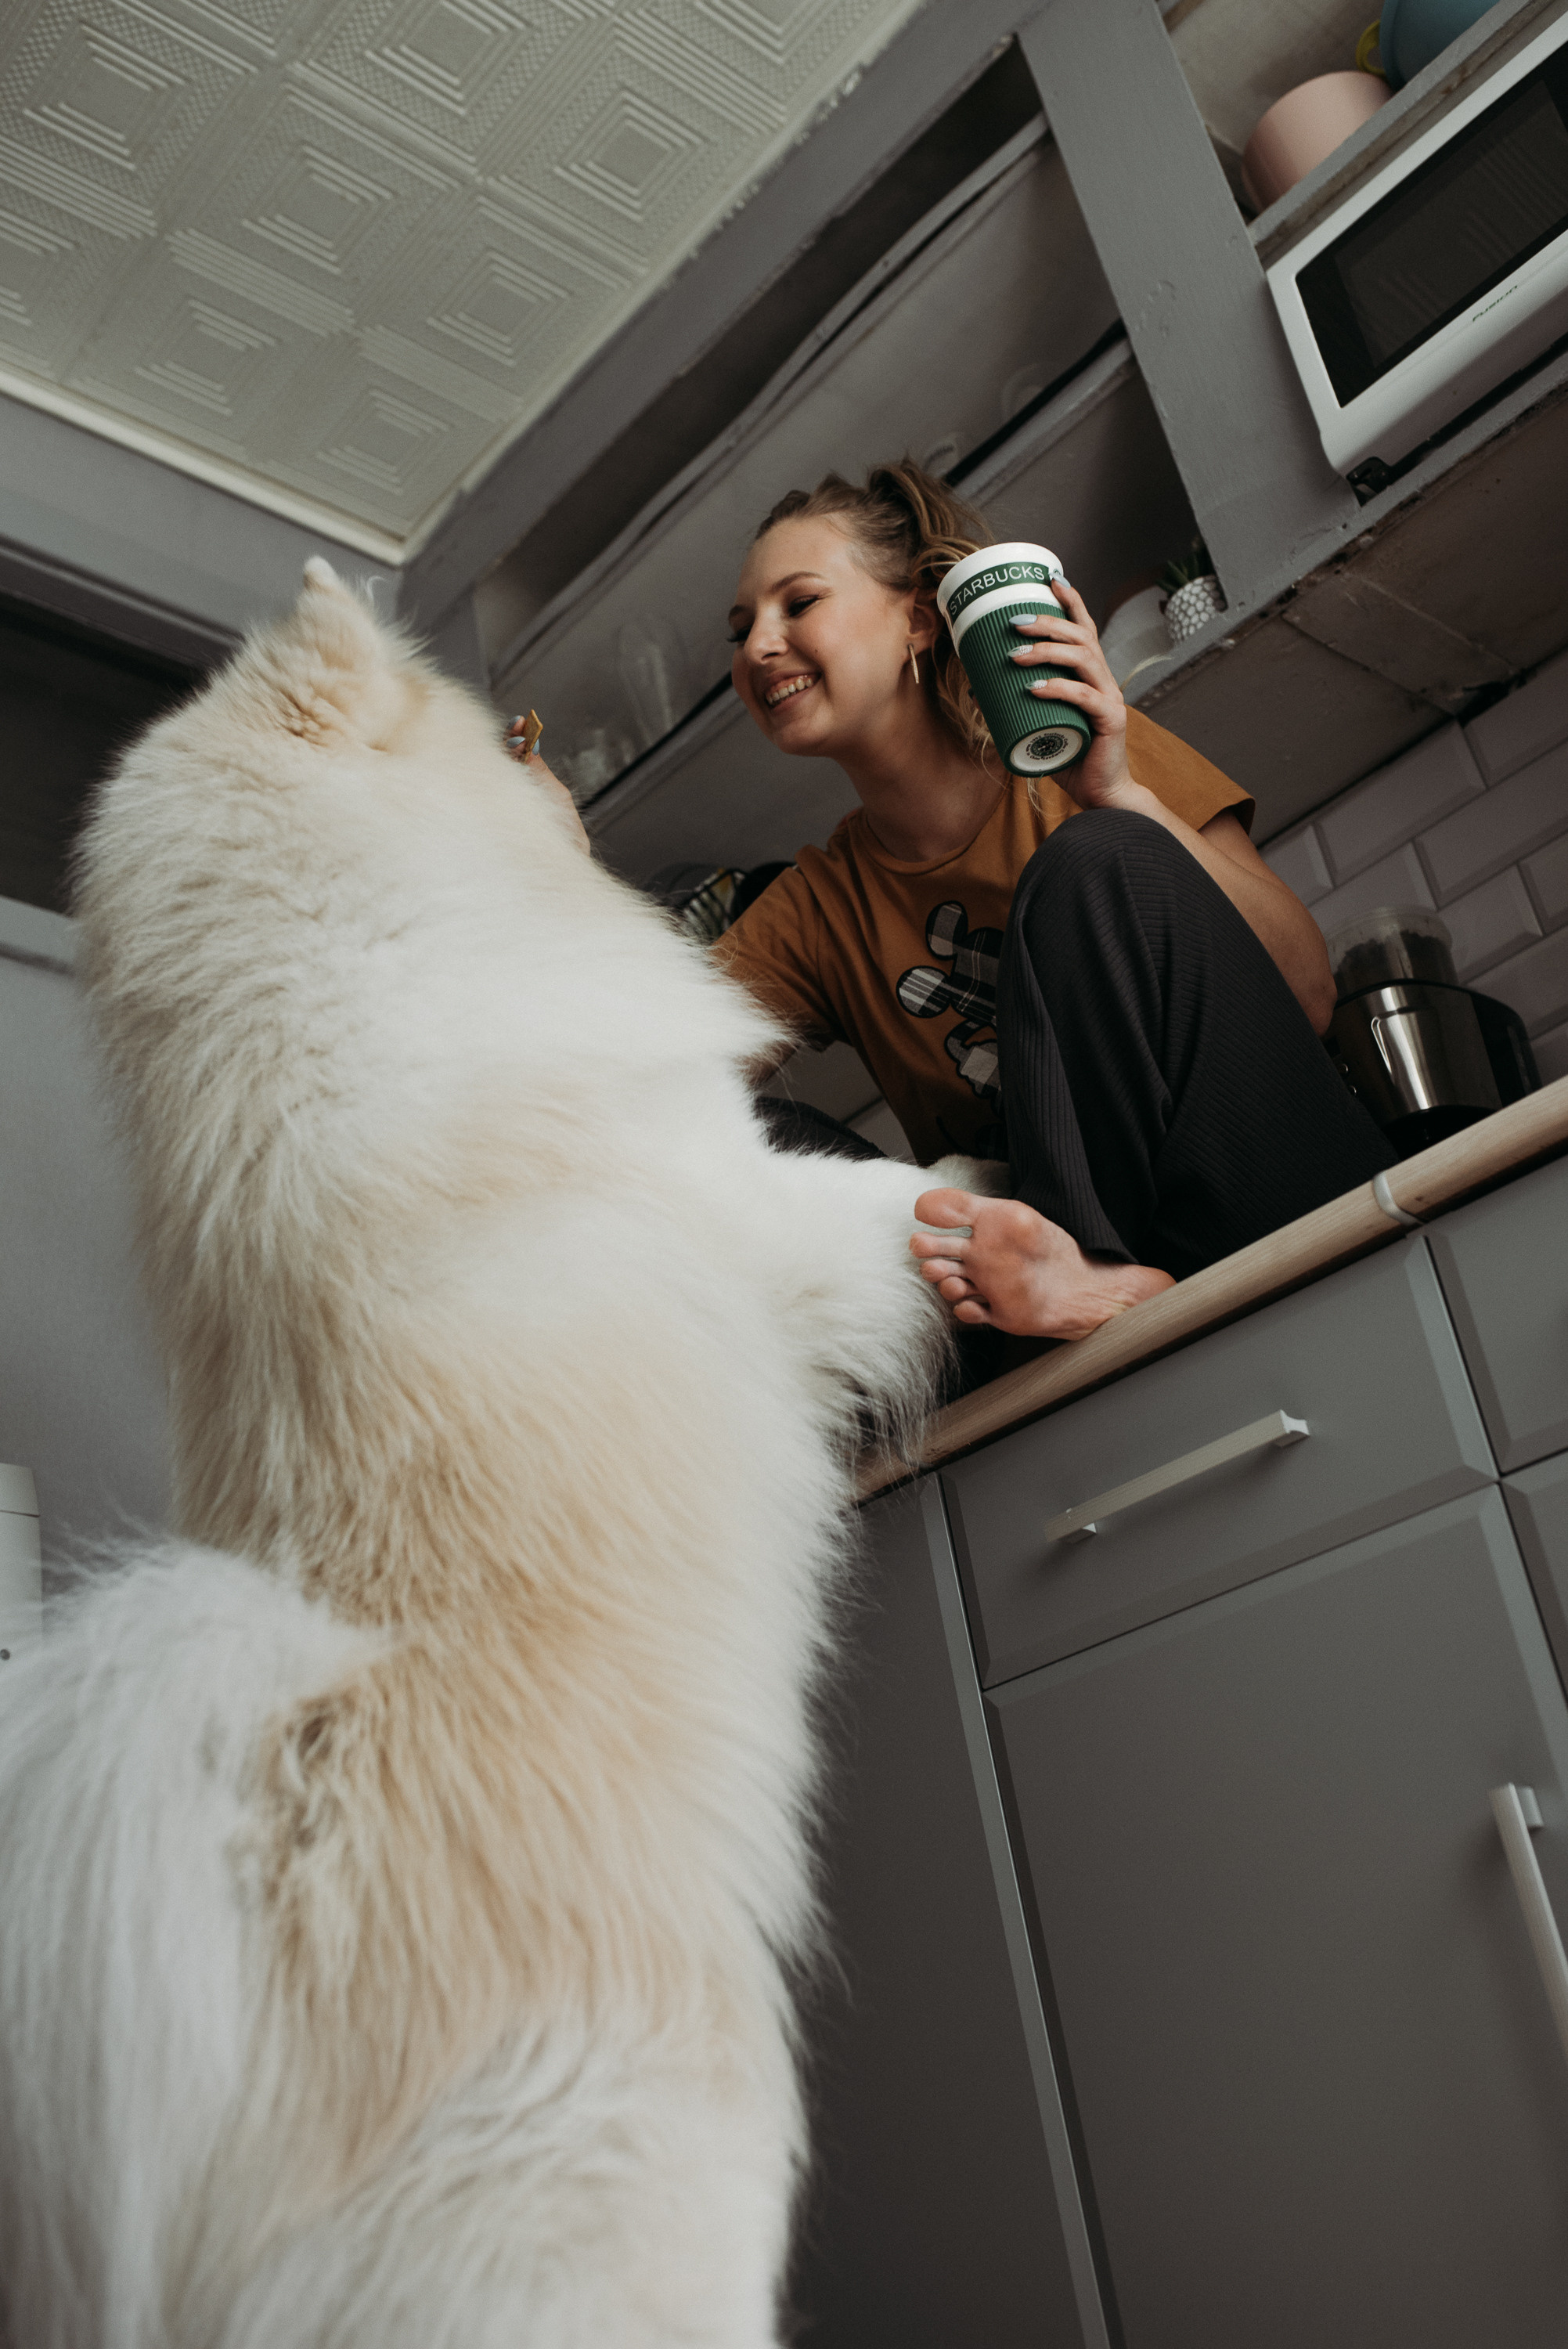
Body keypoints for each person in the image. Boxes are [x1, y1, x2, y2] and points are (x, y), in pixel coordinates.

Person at [700, 460, 1394, 1344]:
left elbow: (1306, 995)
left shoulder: (1079, 746)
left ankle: (1088, 1264)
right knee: (748, 1126)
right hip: (1040, 1295)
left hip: (1267, 1189)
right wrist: (555, 866)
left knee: (1093, 858)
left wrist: (1118, 795)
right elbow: (639, 1073)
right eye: (740, 630)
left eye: (797, 603)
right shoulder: (817, 908)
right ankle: (1079, 1273)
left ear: (918, 619)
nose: (757, 647)